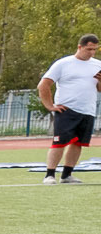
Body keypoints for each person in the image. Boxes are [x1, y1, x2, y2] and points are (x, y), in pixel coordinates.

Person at [37, 34, 101, 186]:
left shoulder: (98, 65)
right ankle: (50, 174)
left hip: (88, 110)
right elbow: (43, 85)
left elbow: (99, 89)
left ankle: (67, 175)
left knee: (78, 143)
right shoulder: (63, 64)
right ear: (80, 47)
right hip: (66, 109)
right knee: (59, 143)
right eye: (89, 49)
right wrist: (50, 106)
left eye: (95, 50)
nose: (91, 53)